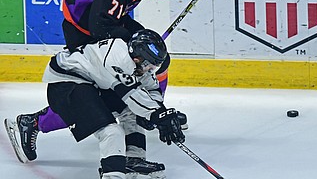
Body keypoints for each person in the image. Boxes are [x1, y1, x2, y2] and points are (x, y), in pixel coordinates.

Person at [5, 0, 225, 165]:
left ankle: (151, 112)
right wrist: (131, 46)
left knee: (157, 59)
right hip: (86, 28)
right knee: (103, 93)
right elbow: (100, 24)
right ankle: (32, 123)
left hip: (106, 19)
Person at [5, 29, 185, 179]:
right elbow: (132, 94)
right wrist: (155, 115)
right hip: (67, 81)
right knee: (111, 131)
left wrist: (162, 113)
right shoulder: (119, 56)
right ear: (138, 58)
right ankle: (112, 175)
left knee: (131, 113)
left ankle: (132, 160)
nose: (150, 71)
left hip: (92, 83)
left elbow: (152, 91)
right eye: (149, 66)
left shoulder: (138, 66)